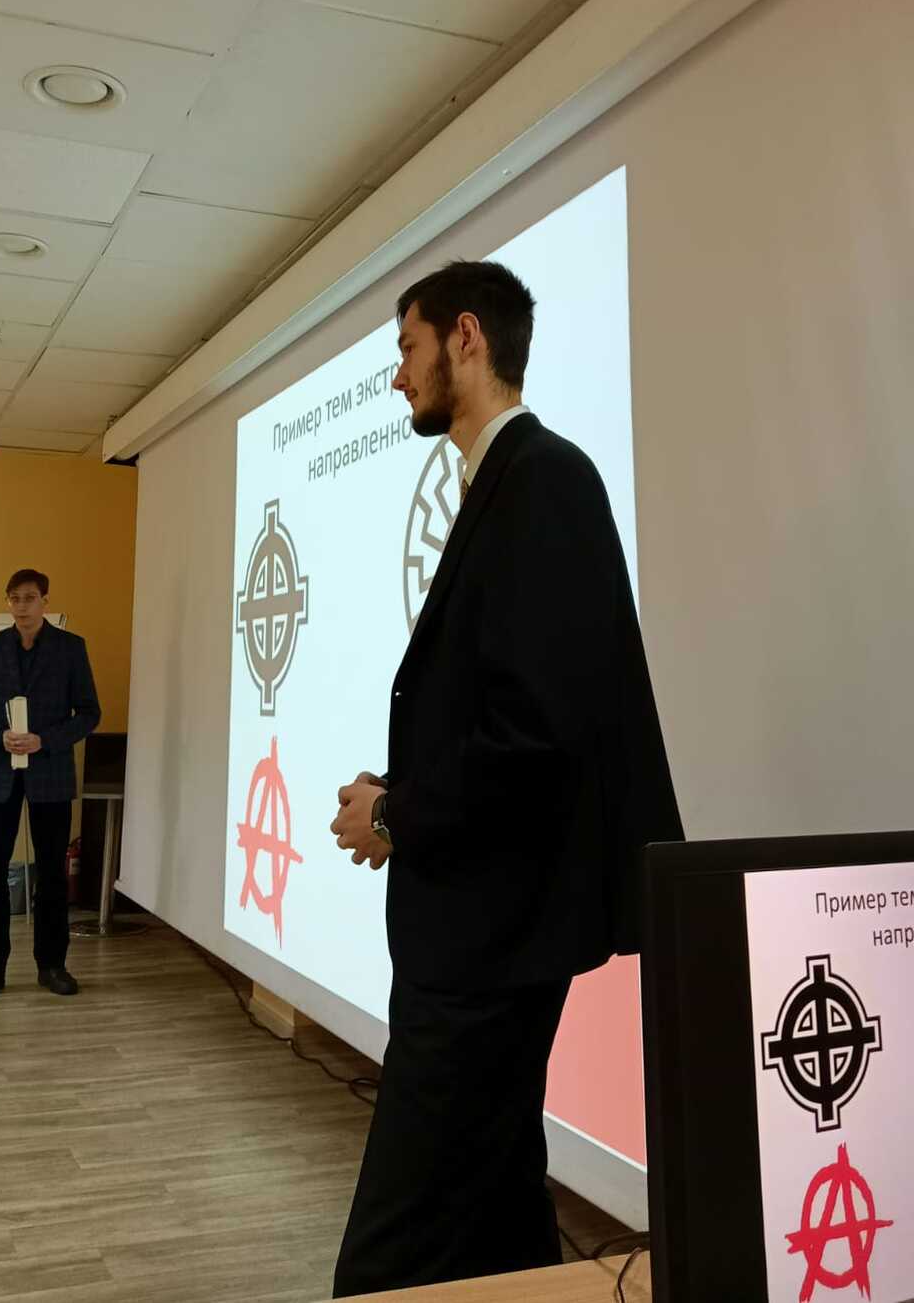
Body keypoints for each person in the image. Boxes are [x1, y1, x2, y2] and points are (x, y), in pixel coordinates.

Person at [329, 261, 683, 1295]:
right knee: (494, 1200)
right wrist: (397, 789)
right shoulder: (513, 481)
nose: (399, 375)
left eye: (407, 347)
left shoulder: (544, 479)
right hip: (484, 924)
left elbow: (537, 732)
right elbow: (502, 709)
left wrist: (398, 812)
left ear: (466, 337)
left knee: (399, 1235)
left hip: (492, 937)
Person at [0, 569, 101, 1001]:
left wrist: (44, 740)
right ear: (7, 602)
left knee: (52, 874)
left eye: (30, 598)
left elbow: (89, 713)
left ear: (45, 602)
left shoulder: (71, 649)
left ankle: (52, 965)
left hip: (50, 774)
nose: (21, 606)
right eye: (14, 598)